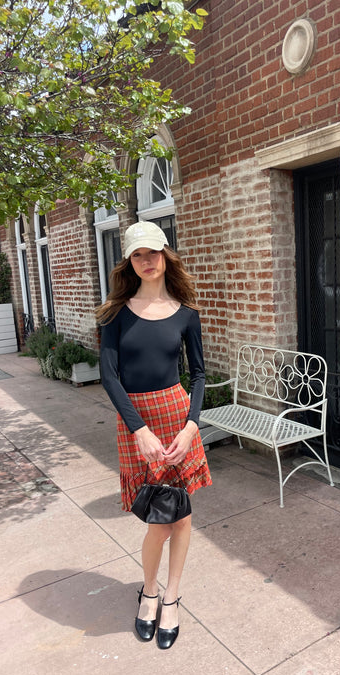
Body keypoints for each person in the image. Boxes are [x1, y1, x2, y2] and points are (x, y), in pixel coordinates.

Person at [96, 221, 212, 650]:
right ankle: (149, 590)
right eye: (137, 255)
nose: (146, 261)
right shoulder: (115, 313)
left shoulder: (186, 312)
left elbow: (198, 374)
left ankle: (170, 597)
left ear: (166, 255)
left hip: (178, 420)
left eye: (153, 253)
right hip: (137, 423)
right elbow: (109, 377)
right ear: (129, 260)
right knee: (157, 519)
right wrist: (138, 429)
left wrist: (193, 424)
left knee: (179, 514)